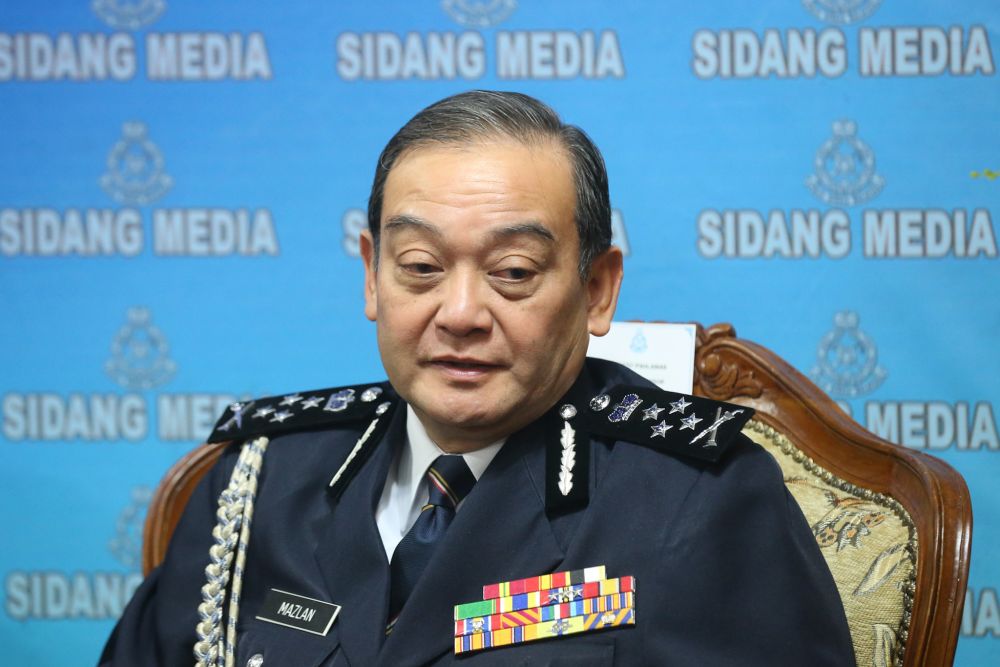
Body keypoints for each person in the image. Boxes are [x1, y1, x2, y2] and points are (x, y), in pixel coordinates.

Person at [100, 90, 854, 666]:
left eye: (513, 271)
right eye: (420, 267)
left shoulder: (699, 502)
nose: (460, 313)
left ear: (597, 289)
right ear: (371, 275)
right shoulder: (261, 483)